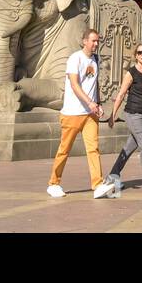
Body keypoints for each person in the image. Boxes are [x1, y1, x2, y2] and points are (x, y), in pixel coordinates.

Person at [48, 29, 108, 199]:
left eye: (97, 41)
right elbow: (74, 85)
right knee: (64, 149)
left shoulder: (96, 59)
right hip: (72, 113)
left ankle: (98, 185)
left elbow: (93, 85)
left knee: (93, 149)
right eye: (93, 41)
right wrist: (90, 102)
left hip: (90, 114)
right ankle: (53, 183)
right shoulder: (75, 58)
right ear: (84, 41)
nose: (96, 44)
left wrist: (97, 104)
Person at [104, 41, 142, 194]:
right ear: (136, 56)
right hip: (132, 114)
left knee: (129, 147)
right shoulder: (131, 73)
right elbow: (121, 95)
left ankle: (112, 176)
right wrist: (113, 115)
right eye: (140, 53)